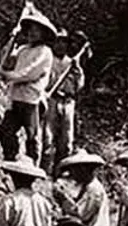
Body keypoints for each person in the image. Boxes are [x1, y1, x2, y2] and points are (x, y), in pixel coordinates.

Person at [0, 7, 56, 163]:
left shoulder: (45, 52)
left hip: (32, 100)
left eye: (36, 31)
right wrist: (12, 41)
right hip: (16, 98)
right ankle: (11, 160)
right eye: (30, 30)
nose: (32, 33)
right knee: (6, 131)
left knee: (32, 137)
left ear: (43, 34)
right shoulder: (22, 49)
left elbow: (31, 73)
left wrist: (10, 77)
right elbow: (5, 62)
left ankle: (32, 169)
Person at [41, 29, 86, 174]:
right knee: (48, 138)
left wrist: (77, 69)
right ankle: (44, 171)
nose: (60, 45)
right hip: (52, 100)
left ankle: (60, 173)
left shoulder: (72, 62)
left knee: (66, 141)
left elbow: (79, 86)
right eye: (58, 41)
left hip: (68, 103)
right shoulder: (47, 60)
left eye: (64, 42)